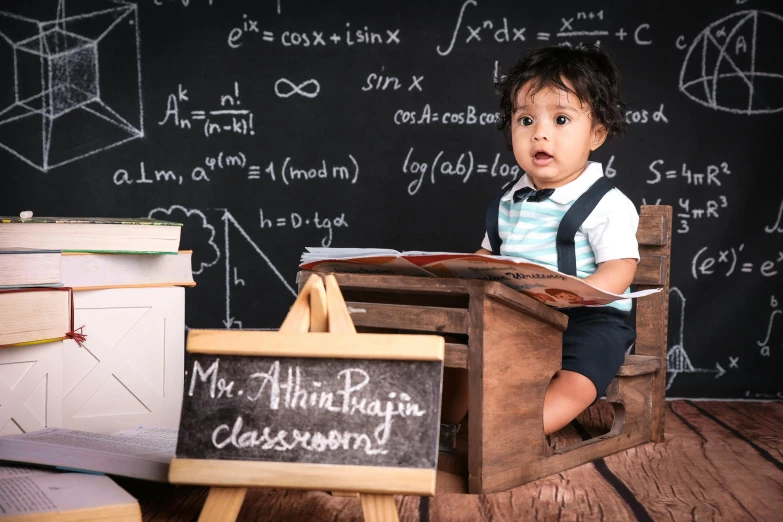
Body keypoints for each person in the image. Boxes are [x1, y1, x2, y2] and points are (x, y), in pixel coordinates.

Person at [440, 45, 639, 450]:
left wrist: (581, 295)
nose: (540, 133)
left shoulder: (606, 203)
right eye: (525, 120)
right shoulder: (510, 199)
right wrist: (462, 271)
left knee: (580, 375)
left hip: (588, 320)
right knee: (463, 345)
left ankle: (511, 431)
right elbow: (487, 257)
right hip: (519, 314)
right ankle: (447, 424)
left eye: (561, 119)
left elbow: (620, 267)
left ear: (596, 134)